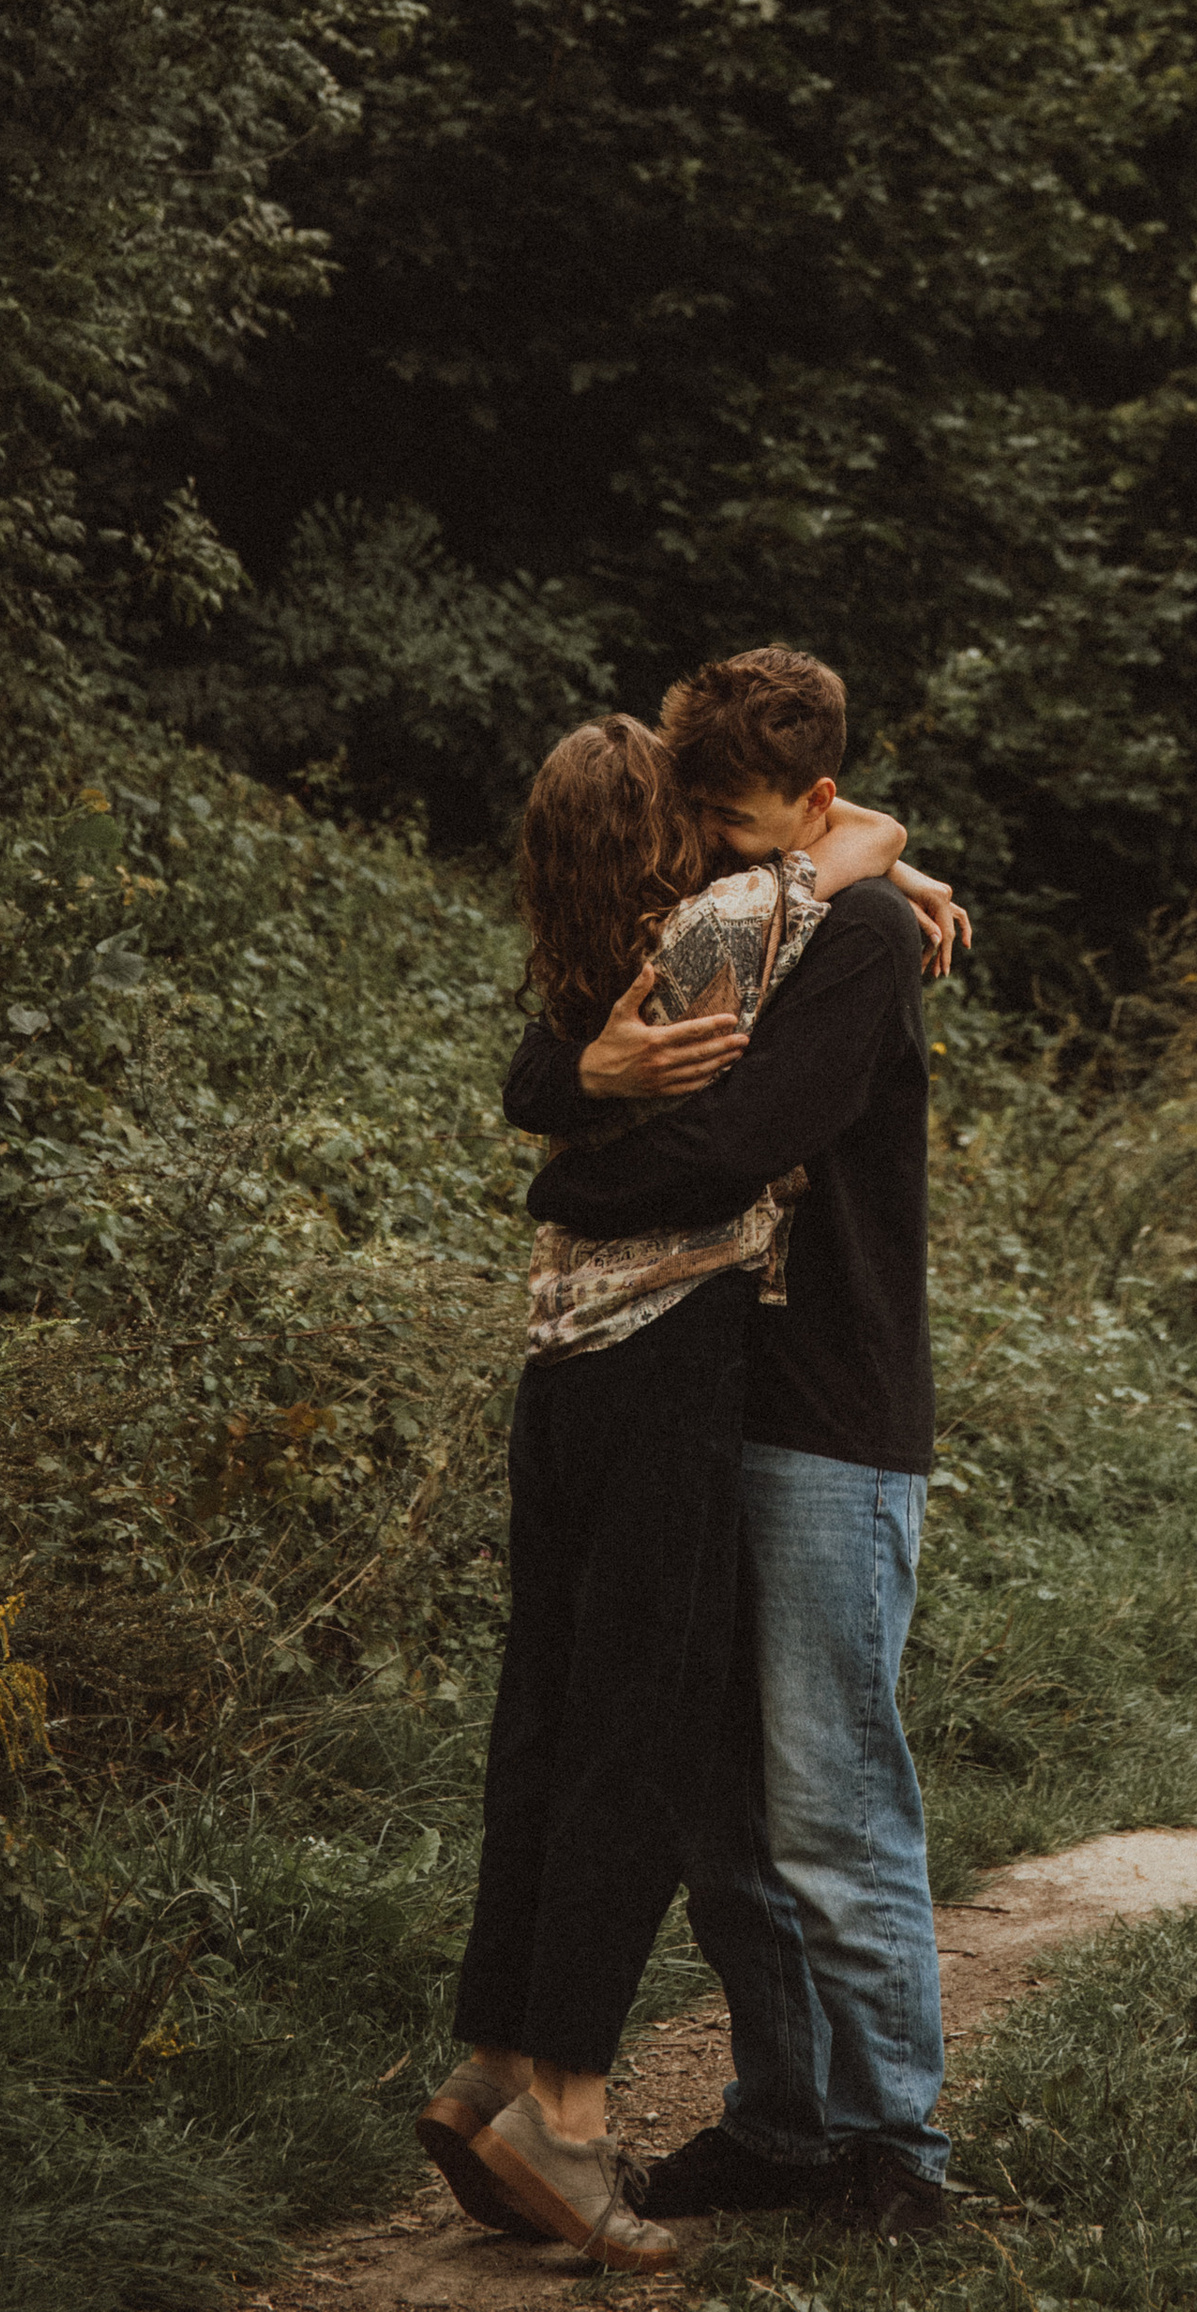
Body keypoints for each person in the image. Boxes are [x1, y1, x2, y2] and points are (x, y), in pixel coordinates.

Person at [415, 707, 923, 2271]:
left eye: (735, 812)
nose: (716, 836)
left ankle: (875, 2141)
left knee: (710, 1764)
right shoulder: (729, 920)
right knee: (673, 1764)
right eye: (696, 813)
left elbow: (718, 1120)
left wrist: (569, 1156)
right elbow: (554, 1067)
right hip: (673, 1385)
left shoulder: (756, 938)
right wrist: (578, 1086)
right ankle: (675, 2116)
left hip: (692, 1383)